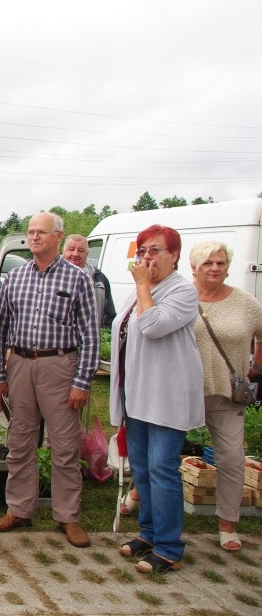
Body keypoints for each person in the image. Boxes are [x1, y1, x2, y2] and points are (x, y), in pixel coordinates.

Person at [0, 212, 100, 548]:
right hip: (20, 364)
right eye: (31, 232)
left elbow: (91, 335)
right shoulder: (15, 277)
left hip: (59, 366)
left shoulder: (77, 279)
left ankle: (68, 517)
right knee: (20, 440)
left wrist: (82, 381)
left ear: (58, 237)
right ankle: (19, 509)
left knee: (64, 446)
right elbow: (0, 329)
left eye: (41, 232)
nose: (34, 237)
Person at [110, 224, 203, 574]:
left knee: (163, 468)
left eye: (155, 251)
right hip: (138, 393)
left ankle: (169, 547)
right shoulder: (144, 289)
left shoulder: (181, 291)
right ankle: (149, 533)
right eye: (143, 250)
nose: (146, 257)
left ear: (175, 255)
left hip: (166, 394)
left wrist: (142, 284)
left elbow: (151, 326)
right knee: (144, 468)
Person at [189, 240, 262, 553]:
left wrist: (256, 366)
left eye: (220, 263)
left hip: (226, 395)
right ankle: (137, 495)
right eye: (207, 263)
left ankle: (227, 523)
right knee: (160, 449)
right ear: (194, 268)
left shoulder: (245, 302)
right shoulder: (182, 297)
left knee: (231, 458)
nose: (215, 268)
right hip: (184, 391)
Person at [63, 233, 116, 328]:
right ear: (63, 251)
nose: (75, 254)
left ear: (87, 254)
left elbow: (110, 315)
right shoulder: (51, 275)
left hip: (90, 338)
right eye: (71, 249)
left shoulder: (99, 278)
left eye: (81, 250)